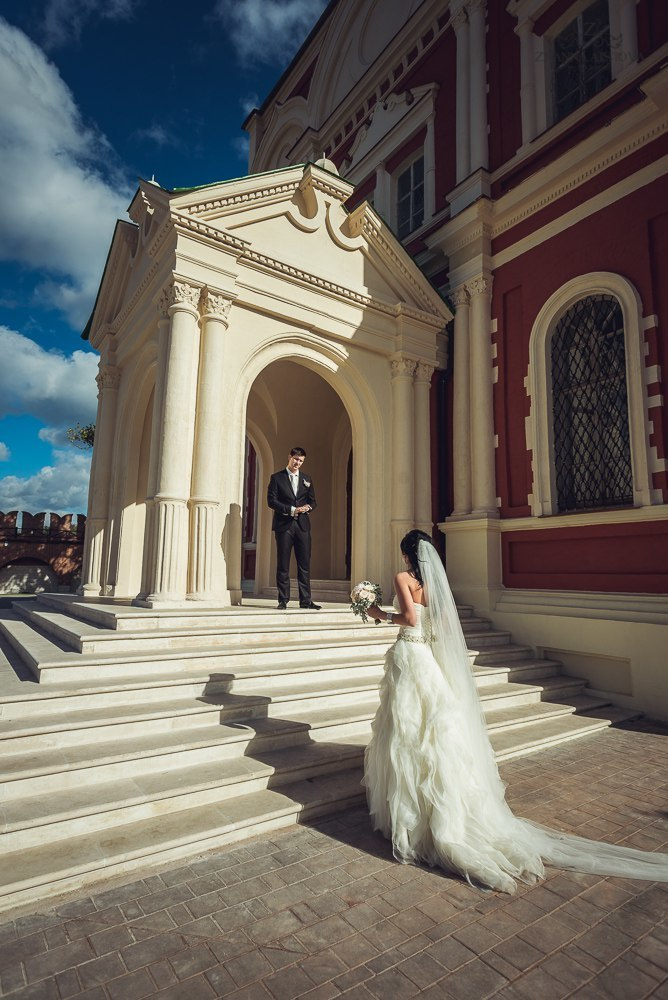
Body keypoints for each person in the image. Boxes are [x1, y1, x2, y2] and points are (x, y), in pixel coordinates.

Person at [363, 529, 668, 893]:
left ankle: (415, 814)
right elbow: (439, 626)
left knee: (408, 729)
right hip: (427, 659)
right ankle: (439, 809)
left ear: (406, 554)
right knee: (431, 731)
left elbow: (410, 620)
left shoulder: (403, 578)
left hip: (410, 655)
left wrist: (378, 612)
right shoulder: (435, 585)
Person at [267, 447, 320, 610]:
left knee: (304, 564)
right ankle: (283, 600)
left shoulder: (307, 478)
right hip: (284, 526)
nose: (298, 463)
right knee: (283, 564)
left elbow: (313, 501)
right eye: (296, 459)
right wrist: (291, 509)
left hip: (302, 526)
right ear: (289, 457)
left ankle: (306, 600)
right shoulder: (277, 478)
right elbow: (271, 501)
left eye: (301, 461)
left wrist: (308, 508)